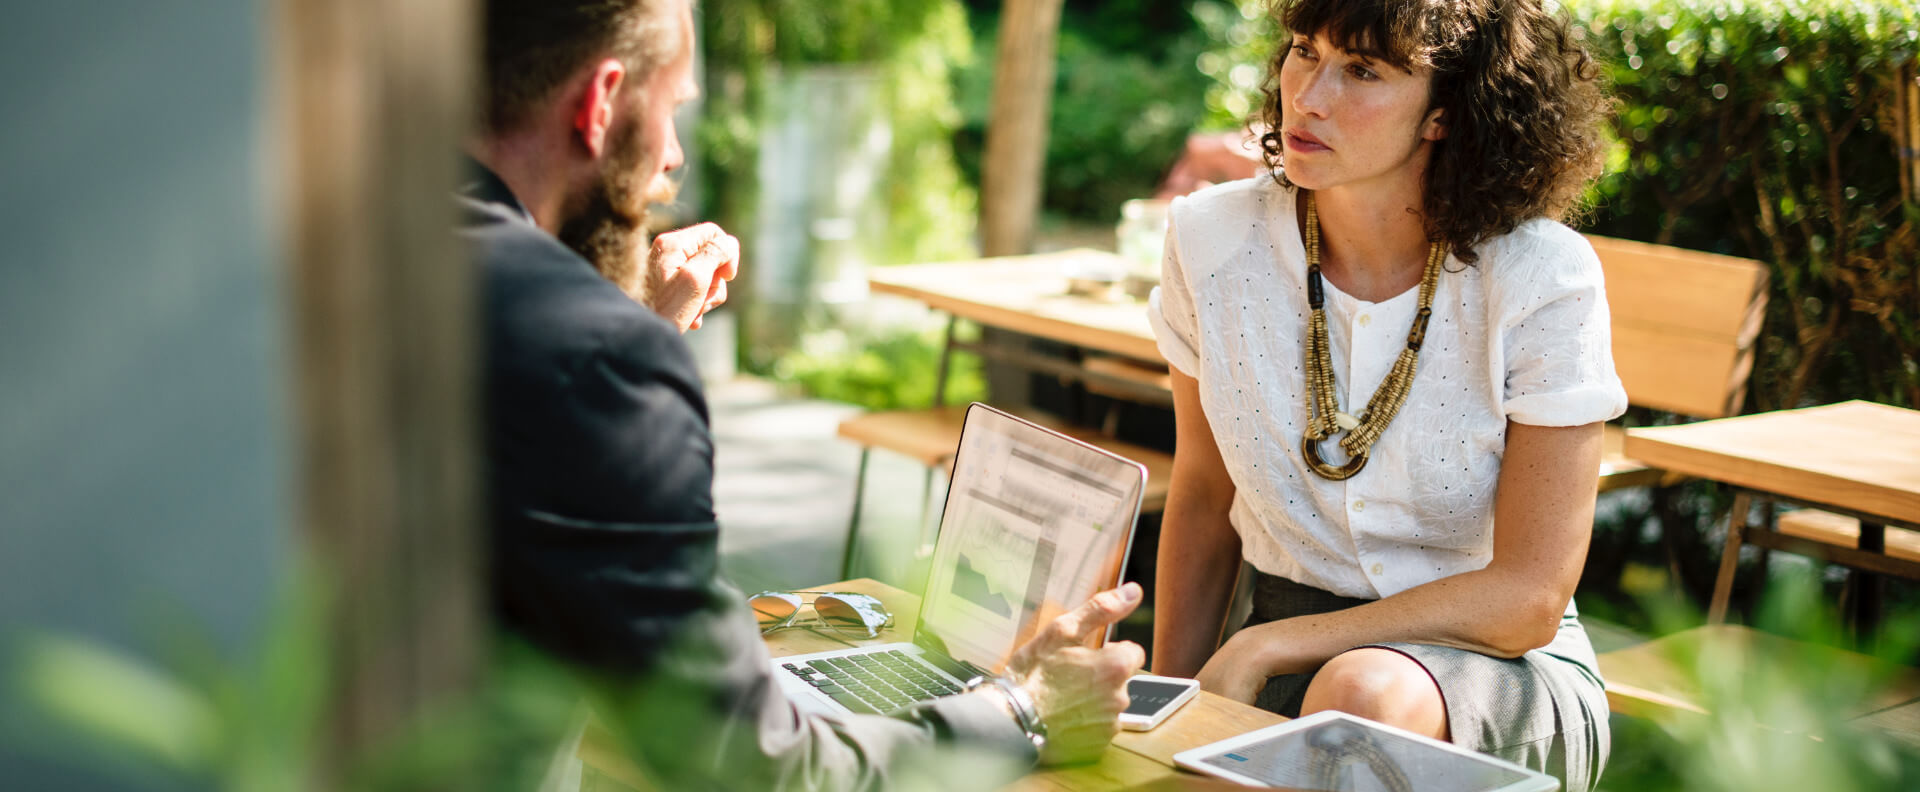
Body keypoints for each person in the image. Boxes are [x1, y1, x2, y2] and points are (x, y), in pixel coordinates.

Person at [460, 0, 1146, 788]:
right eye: (673, 111)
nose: (673, 158)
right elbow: (755, 765)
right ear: (600, 102)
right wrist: (1020, 711)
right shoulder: (597, 359)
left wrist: (631, 326)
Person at [1147, 0, 1620, 789]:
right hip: (1271, 649)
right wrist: (1166, 718)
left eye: (1363, 71)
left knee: (1356, 696)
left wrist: (1272, 645)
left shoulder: (1543, 276)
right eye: (1305, 51)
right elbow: (1202, 492)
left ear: (1443, 112)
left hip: (1490, 668)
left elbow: (1530, 597)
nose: (1310, 94)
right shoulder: (1209, 241)